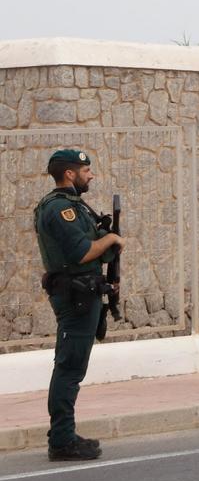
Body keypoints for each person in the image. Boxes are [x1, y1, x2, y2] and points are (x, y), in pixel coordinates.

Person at [34, 148, 122, 462]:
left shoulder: (74, 206)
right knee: (69, 369)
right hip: (76, 298)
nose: (91, 175)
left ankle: (65, 434)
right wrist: (110, 241)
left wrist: (106, 240)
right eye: (86, 170)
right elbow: (82, 252)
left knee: (71, 368)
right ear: (70, 173)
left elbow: (92, 245)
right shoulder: (61, 209)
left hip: (83, 294)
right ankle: (61, 442)